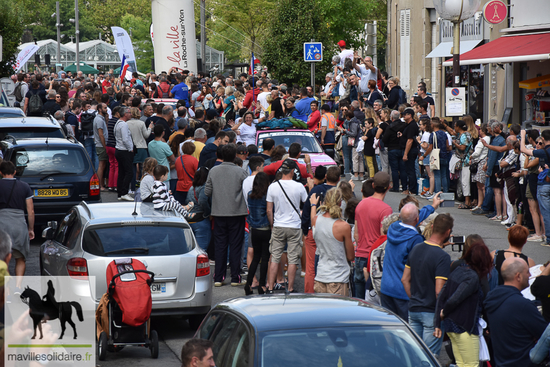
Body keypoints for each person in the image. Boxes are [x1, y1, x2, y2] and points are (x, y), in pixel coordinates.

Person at [401, 214, 453, 356]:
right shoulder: (442, 257)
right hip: (431, 313)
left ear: (431, 226)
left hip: (414, 309)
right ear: (448, 232)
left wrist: (414, 298)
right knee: (429, 357)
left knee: (414, 355)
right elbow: (439, 291)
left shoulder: (416, 248)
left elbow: (405, 279)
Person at [434, 242, 493, 367]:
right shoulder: (472, 277)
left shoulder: (458, 270)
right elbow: (455, 299)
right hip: (464, 328)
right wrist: (444, 312)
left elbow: (442, 295)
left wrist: (437, 323)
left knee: (461, 363)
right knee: (472, 364)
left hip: (452, 327)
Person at [484, 257, 548, 367]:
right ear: (518, 276)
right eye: (527, 272)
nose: (530, 275)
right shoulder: (523, 305)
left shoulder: (491, 299)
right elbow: (545, 335)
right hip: (523, 362)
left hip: (500, 362)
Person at [205, 144, 248, 287]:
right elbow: (247, 191)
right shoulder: (241, 172)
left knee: (220, 245)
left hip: (218, 212)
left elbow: (207, 192)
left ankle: (218, 277)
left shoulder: (214, 171)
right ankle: (235, 277)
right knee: (236, 245)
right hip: (237, 212)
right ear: (235, 155)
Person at [266, 159, 308, 293]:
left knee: (275, 257)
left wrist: (272, 224)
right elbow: (306, 204)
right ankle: (289, 288)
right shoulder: (299, 187)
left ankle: (271, 287)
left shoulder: (272, 186)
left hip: (278, 225)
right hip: (294, 226)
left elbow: (268, 210)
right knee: (292, 259)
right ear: (292, 171)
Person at [302, 166, 341, 293]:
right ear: (339, 179)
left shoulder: (316, 190)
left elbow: (306, 212)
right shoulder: (339, 192)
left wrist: (304, 231)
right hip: (334, 230)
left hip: (313, 230)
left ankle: (309, 293)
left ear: (325, 177)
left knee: (310, 267)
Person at [353, 172, 393, 298]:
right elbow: (383, 238)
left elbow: (356, 235)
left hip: (359, 256)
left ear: (373, 185)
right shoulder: (386, 209)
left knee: (358, 302)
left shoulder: (361, 204)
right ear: (389, 186)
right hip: (374, 261)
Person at [310, 188, 354, 295]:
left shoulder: (316, 220)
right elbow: (350, 256)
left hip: (321, 275)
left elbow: (313, 216)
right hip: (338, 277)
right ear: (340, 203)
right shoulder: (343, 226)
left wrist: (313, 205)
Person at [0, 161, 34, 290]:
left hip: (2, 225)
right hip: (19, 224)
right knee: (20, 258)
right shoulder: (24, 186)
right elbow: (30, 211)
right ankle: (18, 288)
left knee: (3, 259)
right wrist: (30, 229)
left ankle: (6, 289)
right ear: (14, 172)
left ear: (0, 172)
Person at [520, 129, 550, 246]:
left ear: (542, 139)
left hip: (545, 183)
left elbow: (523, 150)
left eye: (540, 142)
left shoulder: (544, 152)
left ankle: (548, 237)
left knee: (545, 212)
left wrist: (523, 136)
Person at [244, 172, 271, 295]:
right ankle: (262, 285)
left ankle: (248, 284)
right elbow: (269, 211)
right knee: (265, 258)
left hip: (254, 229)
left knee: (255, 257)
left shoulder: (250, 195)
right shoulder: (267, 196)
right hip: (265, 229)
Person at [186, 167, 212, 251]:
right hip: (201, 221)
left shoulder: (191, 188)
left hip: (190, 219)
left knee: (190, 249)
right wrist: (207, 213)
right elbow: (202, 201)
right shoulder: (204, 187)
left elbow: (188, 202)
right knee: (201, 250)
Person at [114, 106, 135, 201]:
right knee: (129, 172)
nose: (131, 114)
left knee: (122, 172)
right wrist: (130, 149)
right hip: (124, 150)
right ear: (125, 114)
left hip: (119, 149)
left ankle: (120, 193)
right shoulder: (123, 125)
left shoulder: (118, 123)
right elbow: (125, 138)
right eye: (129, 113)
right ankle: (124, 192)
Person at [383, 110, 406, 192]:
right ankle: (404, 187)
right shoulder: (404, 125)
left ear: (391, 117)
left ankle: (396, 187)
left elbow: (385, 139)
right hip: (402, 148)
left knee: (394, 169)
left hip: (392, 148)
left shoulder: (390, 127)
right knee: (403, 169)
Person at [93, 103, 109, 192]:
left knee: (103, 164)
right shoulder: (99, 119)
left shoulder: (100, 119)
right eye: (105, 108)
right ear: (99, 109)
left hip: (100, 144)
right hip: (101, 144)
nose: (106, 109)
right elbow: (100, 134)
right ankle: (99, 185)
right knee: (101, 165)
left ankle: (101, 184)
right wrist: (104, 146)